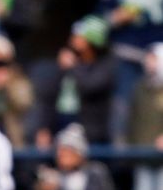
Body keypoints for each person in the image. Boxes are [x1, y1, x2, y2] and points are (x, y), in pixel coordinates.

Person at [99, 0, 163, 143]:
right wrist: (116, 17)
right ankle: (121, 156)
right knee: (122, 106)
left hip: (159, 54)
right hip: (125, 54)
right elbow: (98, 18)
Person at [34, 16, 116, 149]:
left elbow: (90, 86)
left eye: (79, 35)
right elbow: (50, 96)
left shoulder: (106, 64)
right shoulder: (67, 63)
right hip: (60, 127)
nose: (73, 38)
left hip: (91, 135)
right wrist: (45, 127)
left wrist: (73, 66)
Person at [128, 42, 163, 190]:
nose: (149, 63)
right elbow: (133, 118)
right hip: (142, 151)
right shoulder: (140, 87)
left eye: (153, 59)